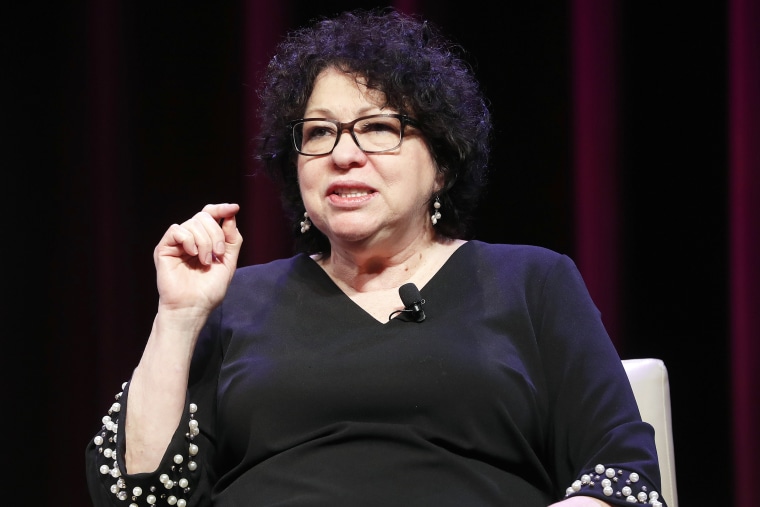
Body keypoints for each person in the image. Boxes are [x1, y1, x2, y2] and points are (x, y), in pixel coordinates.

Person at [85, 8, 667, 507]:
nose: (344, 154)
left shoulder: (533, 282)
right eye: (319, 133)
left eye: (378, 128)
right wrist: (178, 316)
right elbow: (141, 495)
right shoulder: (234, 301)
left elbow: (624, 476)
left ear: (441, 162)